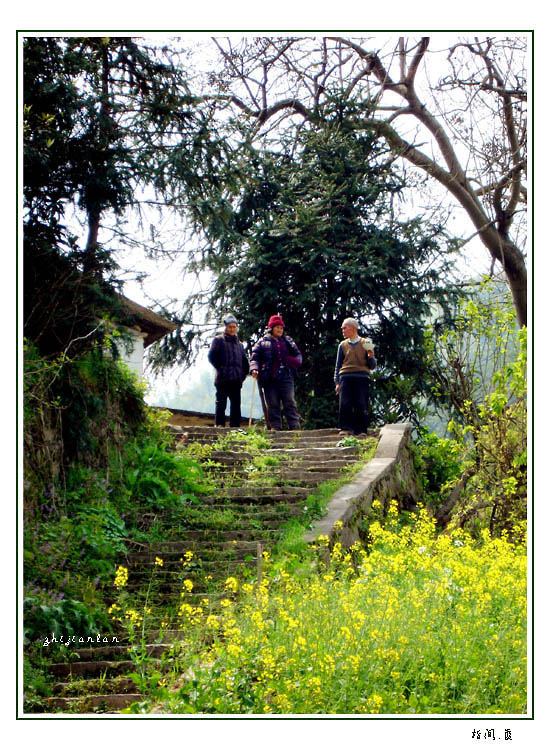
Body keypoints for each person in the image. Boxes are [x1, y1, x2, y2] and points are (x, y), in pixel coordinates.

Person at [250, 314, 302, 431]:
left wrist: (294, 362)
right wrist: (255, 368)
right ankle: (276, 428)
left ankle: (295, 428)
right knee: (273, 404)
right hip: (270, 378)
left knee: (289, 401)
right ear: (271, 328)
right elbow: (255, 358)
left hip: (286, 376)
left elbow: (298, 355)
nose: (279, 330)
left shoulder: (288, 341)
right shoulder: (262, 342)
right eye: (277, 327)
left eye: (281, 328)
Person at [334, 318, 376, 436]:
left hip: (362, 376)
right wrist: (337, 382)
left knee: (361, 403)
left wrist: (371, 356)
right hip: (346, 376)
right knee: (345, 403)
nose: (342, 330)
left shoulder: (367, 342)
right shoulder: (342, 345)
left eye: (344, 327)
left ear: (353, 328)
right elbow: (338, 366)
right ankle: (345, 428)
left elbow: (372, 365)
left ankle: (361, 430)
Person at [208, 313, 249, 428]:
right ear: (225, 328)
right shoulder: (219, 340)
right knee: (221, 403)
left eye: (234, 327)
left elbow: (245, 363)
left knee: (236, 404)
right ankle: (220, 424)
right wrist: (221, 368)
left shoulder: (239, 345)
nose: (232, 329)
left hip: (236, 379)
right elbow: (212, 357)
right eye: (230, 327)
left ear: (237, 328)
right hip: (222, 378)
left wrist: (242, 376)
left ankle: (235, 427)